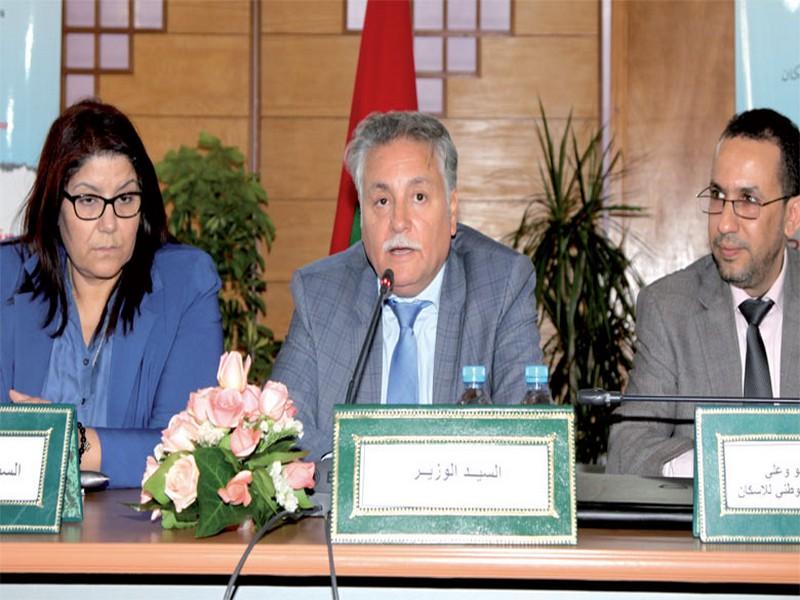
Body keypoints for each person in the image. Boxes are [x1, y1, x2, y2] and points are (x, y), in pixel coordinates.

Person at [271, 111, 542, 462]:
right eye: (382, 201)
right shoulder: (320, 294)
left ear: (452, 209)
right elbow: (282, 435)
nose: (399, 222)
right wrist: (363, 478)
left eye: (418, 197)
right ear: (362, 217)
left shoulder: (501, 284)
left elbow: (528, 438)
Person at [0, 99, 224, 488]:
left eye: (124, 199)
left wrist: (69, 440)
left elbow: (193, 448)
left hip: (137, 533)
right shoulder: (6, 277)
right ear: (56, 205)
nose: (109, 224)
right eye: (88, 200)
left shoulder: (185, 283)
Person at [607, 108, 800, 477]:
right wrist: (719, 464)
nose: (724, 223)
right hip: (704, 536)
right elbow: (628, 450)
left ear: (792, 215)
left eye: (748, 201)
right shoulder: (670, 308)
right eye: (717, 195)